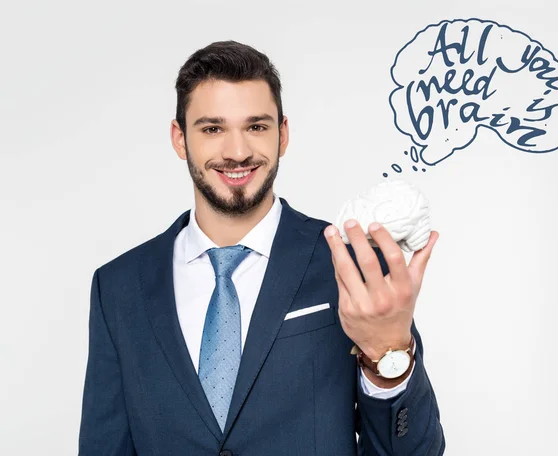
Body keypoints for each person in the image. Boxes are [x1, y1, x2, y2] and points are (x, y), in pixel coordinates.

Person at [78, 40, 445, 455]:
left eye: (256, 126)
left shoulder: (348, 263)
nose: (237, 152)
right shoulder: (118, 286)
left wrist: (388, 359)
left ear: (282, 134)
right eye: (212, 128)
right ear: (180, 139)